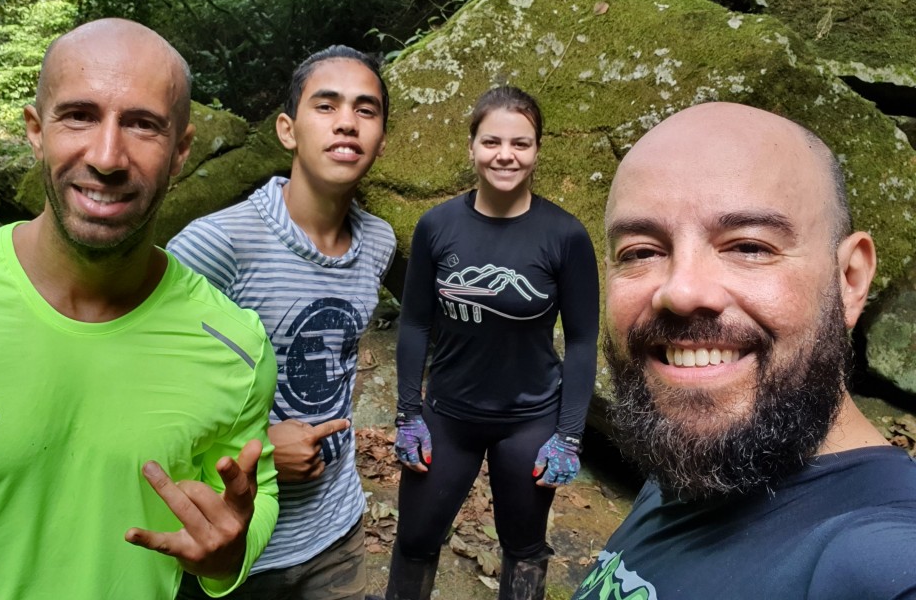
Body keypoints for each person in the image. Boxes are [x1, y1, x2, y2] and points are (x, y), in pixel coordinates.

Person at [0, 18, 279, 599]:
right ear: (35, 130)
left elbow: (259, 488)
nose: (106, 156)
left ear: (181, 152)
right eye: (79, 115)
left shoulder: (234, 342)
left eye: (143, 125)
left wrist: (230, 554)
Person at [574, 101, 916, 600]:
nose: (682, 291)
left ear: (850, 280)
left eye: (749, 246)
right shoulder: (702, 461)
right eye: (642, 251)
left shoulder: (878, 565)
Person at [168, 45, 397, 600]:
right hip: (238, 540)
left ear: (381, 139)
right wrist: (264, 445)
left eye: (366, 110)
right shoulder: (217, 246)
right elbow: (147, 393)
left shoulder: (379, 242)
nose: (347, 122)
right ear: (288, 130)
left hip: (337, 528)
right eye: (327, 105)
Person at [387, 85, 600, 600]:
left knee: (523, 546)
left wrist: (569, 435)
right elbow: (414, 324)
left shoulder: (565, 236)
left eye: (521, 144)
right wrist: (407, 414)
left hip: (529, 420)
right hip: (447, 414)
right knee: (415, 537)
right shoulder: (437, 226)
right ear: (472, 147)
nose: (506, 155)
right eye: (492, 142)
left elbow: (582, 341)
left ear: (537, 151)